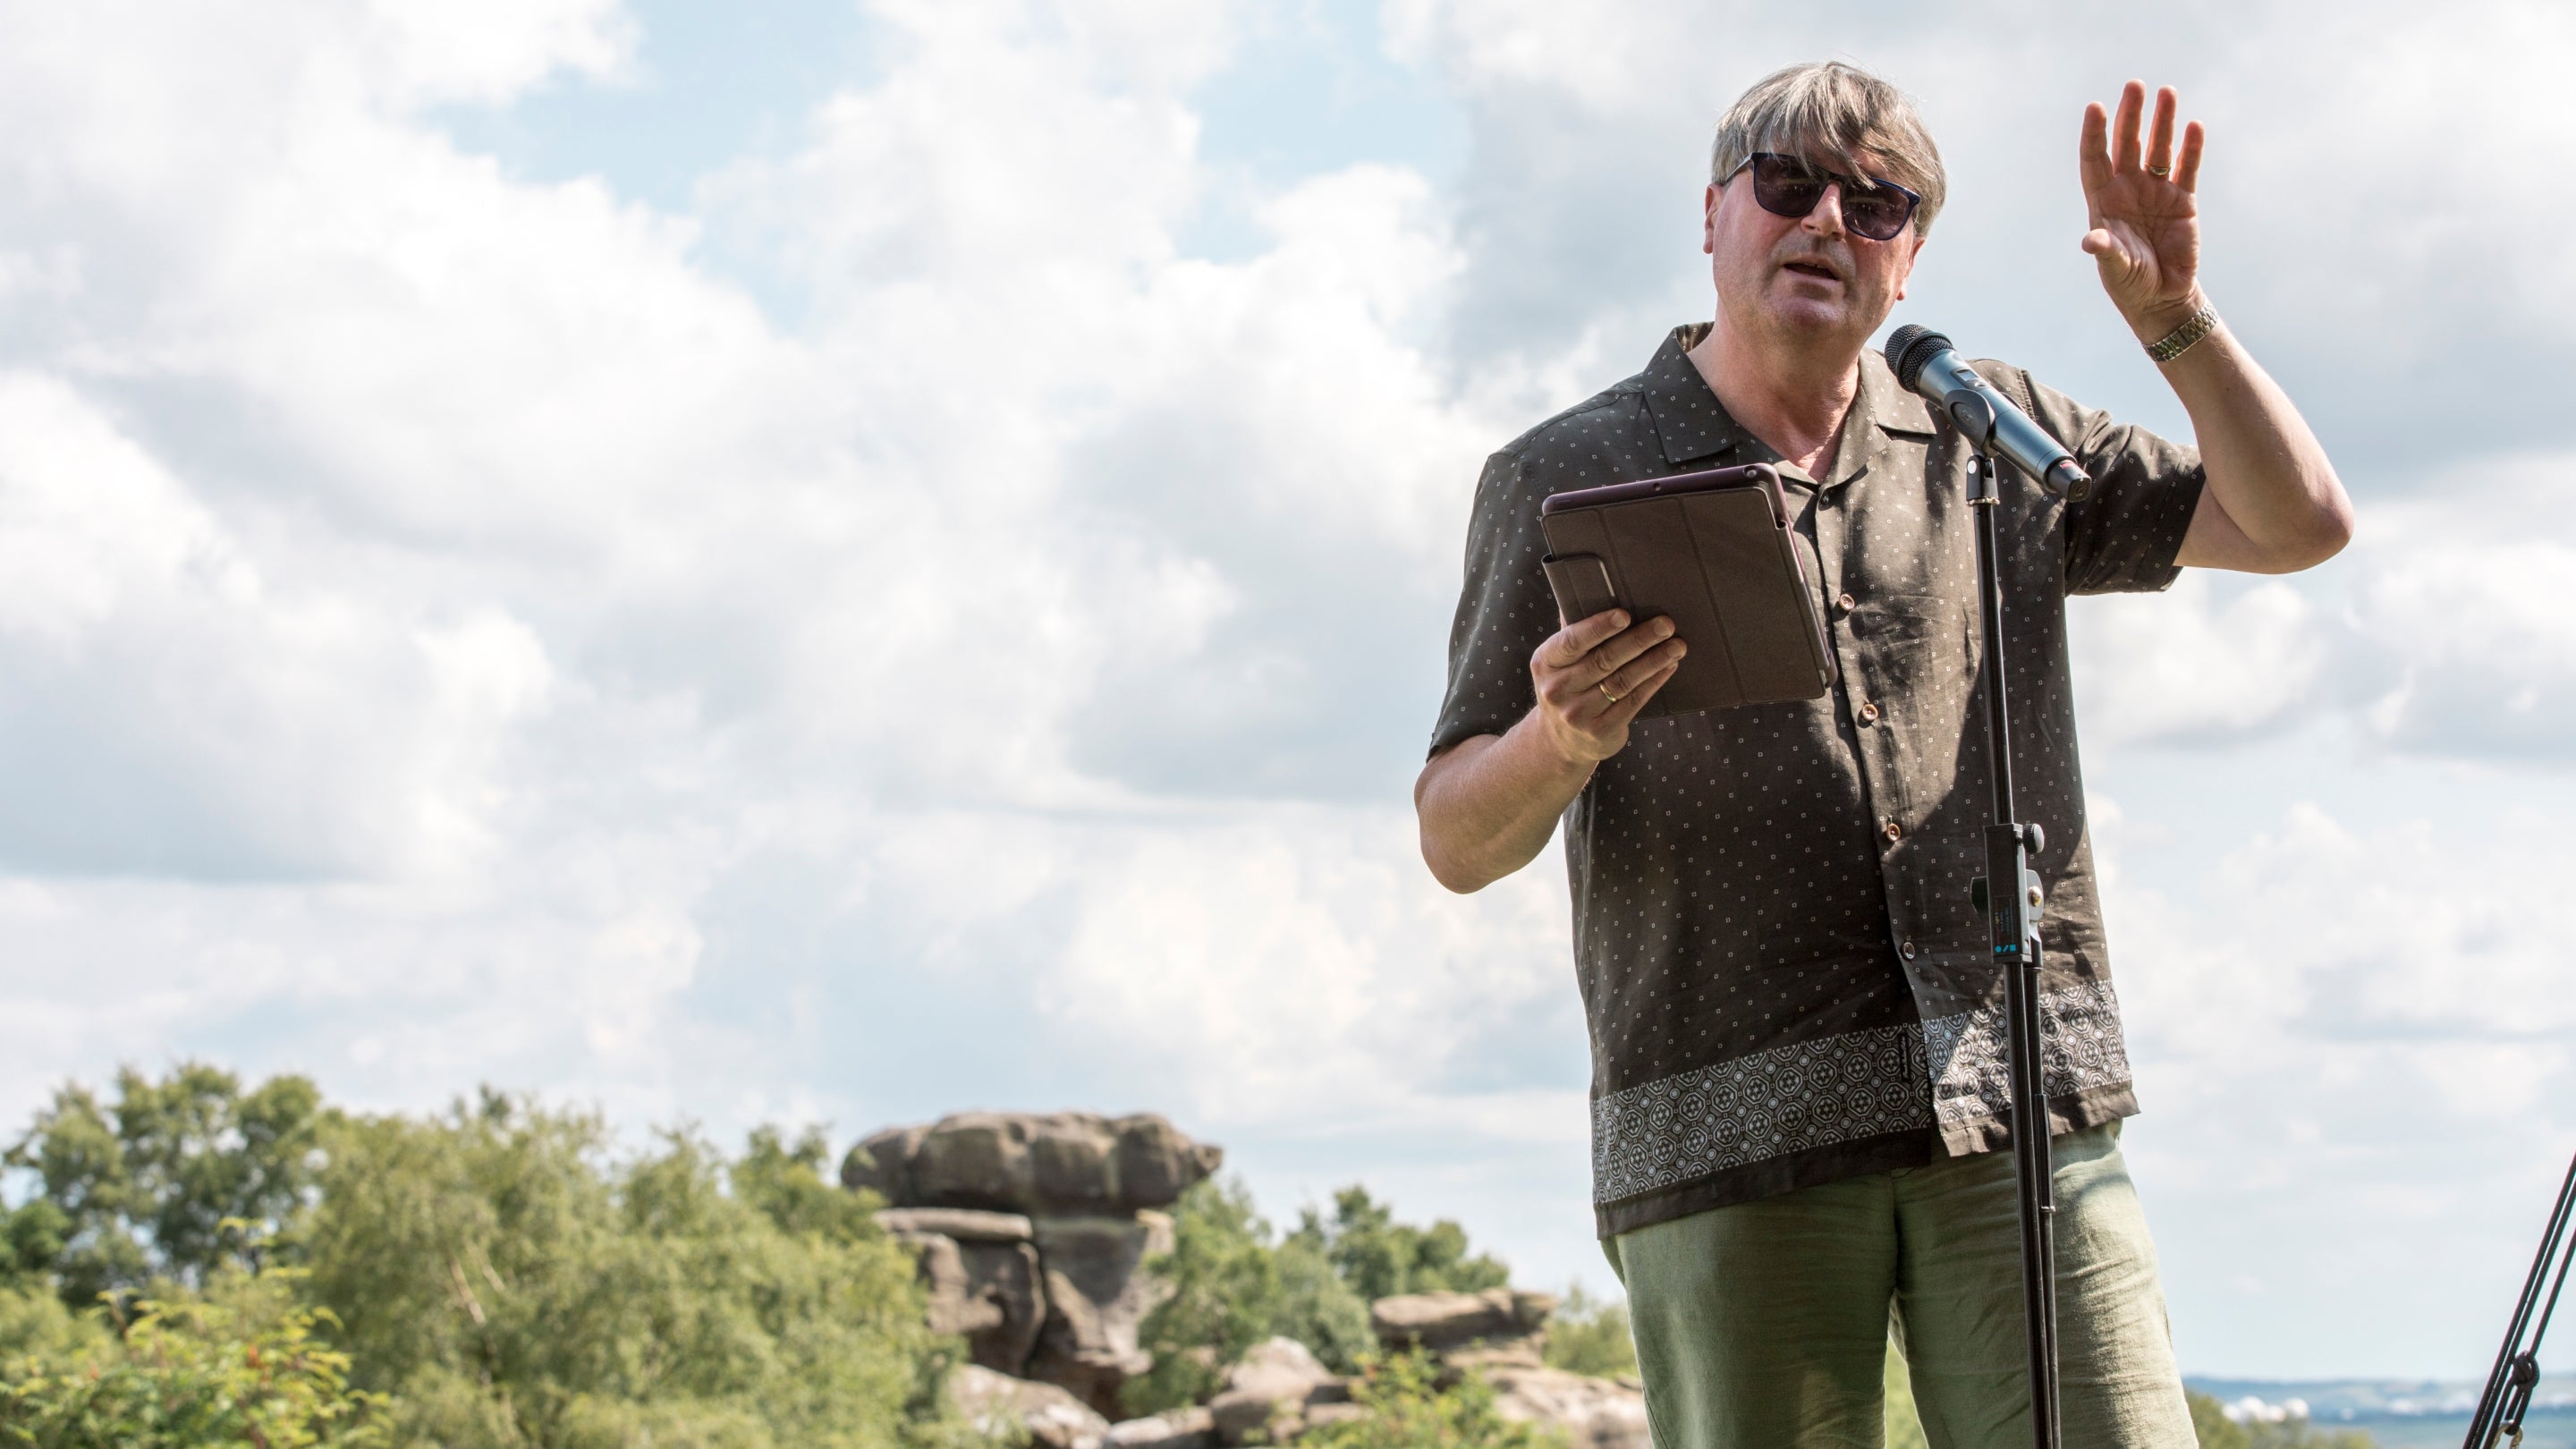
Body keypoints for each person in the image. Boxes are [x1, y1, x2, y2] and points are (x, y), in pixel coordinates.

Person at [1414, 63, 2351, 1448]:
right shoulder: (1569, 472)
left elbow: (2295, 526)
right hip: (1730, 1136)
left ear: (1910, 259)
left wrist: (2177, 322)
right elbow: (1453, 836)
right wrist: (1562, 738)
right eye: (1787, 184)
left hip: (2021, 1111)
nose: (1827, 221)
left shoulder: (1996, 438)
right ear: (1716, 215)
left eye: (1878, 202)